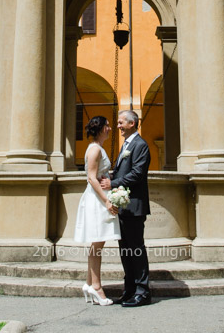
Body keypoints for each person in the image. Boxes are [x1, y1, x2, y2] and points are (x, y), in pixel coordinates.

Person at [102, 109, 151, 307]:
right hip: (124, 208)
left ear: (132, 123)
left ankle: (143, 292)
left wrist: (112, 184)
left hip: (135, 207)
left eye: (121, 122)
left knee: (136, 251)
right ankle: (129, 289)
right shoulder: (127, 145)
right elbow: (124, 171)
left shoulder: (141, 145)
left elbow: (137, 174)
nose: (118, 126)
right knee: (125, 251)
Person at [73, 115, 120, 306]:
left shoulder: (97, 148)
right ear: (100, 128)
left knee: (97, 244)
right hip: (97, 200)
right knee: (98, 244)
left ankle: (88, 284)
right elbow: (91, 178)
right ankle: (97, 287)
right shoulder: (94, 150)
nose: (110, 128)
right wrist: (107, 200)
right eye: (107, 126)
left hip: (99, 197)